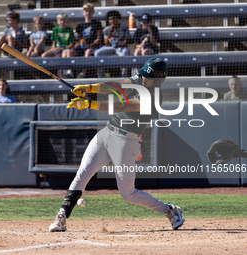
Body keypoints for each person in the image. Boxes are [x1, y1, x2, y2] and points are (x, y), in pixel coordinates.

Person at [49, 58, 185, 232]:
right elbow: (115, 86)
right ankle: (61, 217)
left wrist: (90, 103)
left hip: (126, 142)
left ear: (158, 80)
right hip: (108, 132)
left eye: (148, 77)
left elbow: (121, 106)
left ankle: (169, 210)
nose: (143, 78)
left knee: (128, 194)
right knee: (83, 172)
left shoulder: (153, 97)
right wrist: (89, 87)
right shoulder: (140, 79)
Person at [62, 3, 103, 79]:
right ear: (83, 12)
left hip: (92, 47)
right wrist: (77, 43)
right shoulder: (80, 26)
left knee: (87, 52)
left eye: (90, 11)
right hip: (81, 47)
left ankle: (83, 73)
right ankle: (69, 72)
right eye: (86, 11)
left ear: (93, 12)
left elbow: (98, 39)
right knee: (69, 52)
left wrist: (89, 45)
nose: (88, 13)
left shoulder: (97, 24)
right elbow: (78, 39)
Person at [94, 10, 130, 78]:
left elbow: (126, 42)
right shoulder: (106, 29)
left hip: (121, 47)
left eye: (114, 18)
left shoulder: (124, 28)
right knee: (97, 53)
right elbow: (106, 44)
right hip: (110, 47)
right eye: (110, 19)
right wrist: (110, 32)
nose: (113, 20)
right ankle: (100, 76)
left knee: (125, 52)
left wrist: (119, 45)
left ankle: (124, 75)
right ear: (108, 21)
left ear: (118, 18)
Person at [41, 13, 75, 77]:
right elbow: (53, 42)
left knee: (64, 54)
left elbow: (71, 45)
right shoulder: (55, 29)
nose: (62, 22)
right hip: (56, 49)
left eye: (64, 20)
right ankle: (48, 73)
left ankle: (64, 72)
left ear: (67, 21)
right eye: (60, 20)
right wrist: (53, 49)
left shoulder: (70, 30)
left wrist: (62, 48)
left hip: (65, 49)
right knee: (44, 55)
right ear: (57, 21)